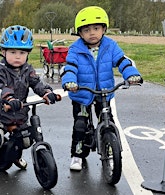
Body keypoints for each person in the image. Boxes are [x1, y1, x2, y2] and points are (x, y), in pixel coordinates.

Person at [61, 6, 142, 171]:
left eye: (96, 28)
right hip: (82, 92)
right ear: (80, 33)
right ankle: (77, 155)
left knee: (107, 119)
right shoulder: (75, 49)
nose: (92, 33)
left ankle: (111, 149)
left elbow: (122, 61)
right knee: (80, 125)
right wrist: (70, 81)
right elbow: (70, 67)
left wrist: (131, 75)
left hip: (104, 93)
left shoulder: (110, 46)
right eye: (87, 29)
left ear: (104, 29)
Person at [0, 25, 59, 176]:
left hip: (19, 114)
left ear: (28, 54)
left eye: (22, 52)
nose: (17, 56)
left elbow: (36, 83)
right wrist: (9, 98)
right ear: (3, 52)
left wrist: (47, 92)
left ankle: (16, 156)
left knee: (27, 139)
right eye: (12, 52)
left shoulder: (28, 69)